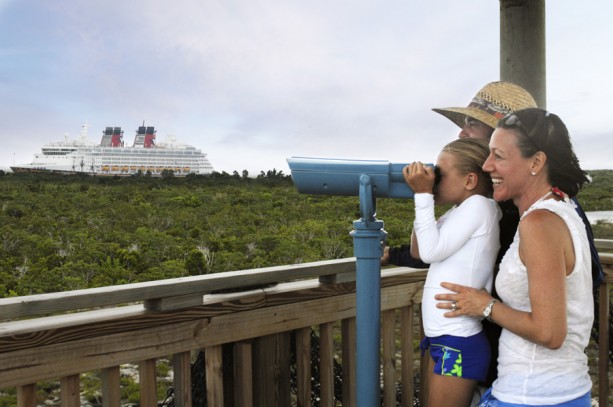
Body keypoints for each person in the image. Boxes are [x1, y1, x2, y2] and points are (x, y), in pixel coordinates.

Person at [435, 108, 593, 406]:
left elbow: (549, 332)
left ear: (536, 162)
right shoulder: (562, 207)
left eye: (498, 156)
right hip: (554, 389)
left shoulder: (540, 224)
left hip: (535, 395)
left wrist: (484, 306)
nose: (487, 165)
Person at [404, 138, 501, 407]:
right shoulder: (460, 211)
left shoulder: (479, 206)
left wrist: (423, 196)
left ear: (469, 180)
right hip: (447, 338)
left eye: (440, 174)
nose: (435, 179)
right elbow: (417, 248)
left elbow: (430, 253)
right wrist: (422, 196)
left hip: (457, 341)